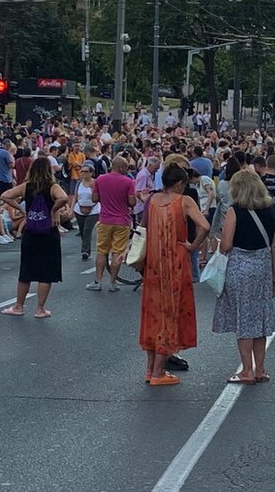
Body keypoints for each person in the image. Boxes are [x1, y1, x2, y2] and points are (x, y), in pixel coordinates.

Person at [139, 165, 210, 386]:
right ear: (179, 183)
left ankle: (150, 369)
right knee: (170, 314)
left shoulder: (152, 200)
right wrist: (192, 246)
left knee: (153, 314)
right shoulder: (184, 201)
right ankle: (159, 371)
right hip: (175, 263)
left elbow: (142, 228)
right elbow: (205, 226)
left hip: (153, 263)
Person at [212, 170, 275, 384]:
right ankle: (260, 369)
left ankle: (246, 370)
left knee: (244, 319)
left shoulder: (235, 211)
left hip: (240, 267)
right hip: (262, 268)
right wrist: (273, 276)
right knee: (260, 318)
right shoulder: (271, 210)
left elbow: (226, 245)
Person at [0, 158, 67, 318]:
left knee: (26, 270)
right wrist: (53, 210)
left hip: (31, 232)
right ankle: (40, 309)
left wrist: (22, 209)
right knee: (46, 272)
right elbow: (63, 198)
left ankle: (19, 306)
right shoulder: (53, 187)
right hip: (48, 232)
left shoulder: (26, 187)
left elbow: (5, 196)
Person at [87, 156, 135, 292]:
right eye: (125, 167)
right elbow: (132, 202)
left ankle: (98, 281)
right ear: (120, 167)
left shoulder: (100, 179)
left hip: (105, 220)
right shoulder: (129, 182)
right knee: (117, 252)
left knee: (102, 251)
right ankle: (113, 282)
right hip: (122, 221)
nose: (126, 170)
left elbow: (94, 198)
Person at [73, 161, 100, 261]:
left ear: (91, 173)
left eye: (86, 171)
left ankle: (85, 251)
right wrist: (71, 208)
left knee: (87, 230)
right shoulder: (79, 183)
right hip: (79, 209)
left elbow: (99, 197)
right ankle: (85, 247)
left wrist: (93, 189)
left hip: (93, 210)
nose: (83, 173)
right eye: (82, 171)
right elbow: (75, 196)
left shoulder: (95, 183)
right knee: (82, 230)